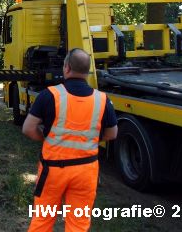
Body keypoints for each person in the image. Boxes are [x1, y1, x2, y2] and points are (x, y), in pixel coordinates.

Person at [22, 48, 118, 232]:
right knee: (78, 225)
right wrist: (89, 142)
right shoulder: (102, 100)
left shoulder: (50, 95)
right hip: (86, 172)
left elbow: (28, 128)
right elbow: (112, 134)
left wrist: (45, 139)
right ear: (88, 71)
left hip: (53, 171)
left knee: (43, 220)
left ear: (66, 67)